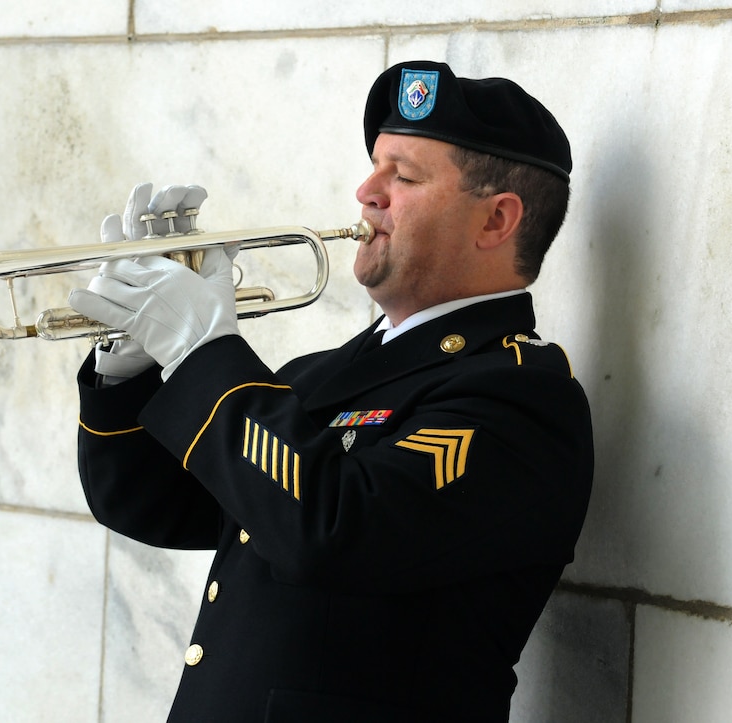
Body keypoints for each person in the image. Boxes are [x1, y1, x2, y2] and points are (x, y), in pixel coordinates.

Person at [67, 59, 593, 722]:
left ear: (495, 221)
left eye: (402, 176)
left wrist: (203, 350)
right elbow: (147, 500)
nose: (366, 191)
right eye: (375, 167)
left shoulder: (522, 402)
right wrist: (134, 357)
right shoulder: (317, 377)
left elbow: (336, 526)